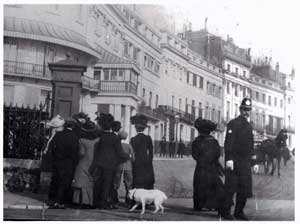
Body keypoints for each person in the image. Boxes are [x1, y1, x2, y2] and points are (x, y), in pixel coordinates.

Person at [224, 98, 259, 220]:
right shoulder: (233, 123)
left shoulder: (249, 126)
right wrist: (229, 158)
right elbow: (228, 142)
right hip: (234, 161)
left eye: (248, 110)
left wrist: (254, 162)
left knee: (244, 188)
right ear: (240, 109)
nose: (246, 112)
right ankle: (225, 212)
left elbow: (251, 145)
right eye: (244, 109)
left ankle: (239, 212)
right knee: (230, 188)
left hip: (245, 163)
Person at [192, 118, 231, 219]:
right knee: (213, 186)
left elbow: (194, 154)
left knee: (199, 186)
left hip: (200, 167)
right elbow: (217, 154)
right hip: (211, 167)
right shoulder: (214, 142)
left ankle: (199, 205)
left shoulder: (197, 141)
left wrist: (201, 160)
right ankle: (213, 205)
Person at [90, 113, 131, 209]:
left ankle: (96, 202)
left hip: (99, 163)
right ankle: (104, 203)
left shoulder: (100, 137)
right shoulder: (115, 138)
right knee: (107, 184)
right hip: (110, 165)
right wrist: (128, 156)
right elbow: (120, 152)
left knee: (98, 183)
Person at [47, 115, 79, 209]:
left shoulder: (58, 134)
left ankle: (54, 200)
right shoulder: (74, 137)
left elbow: (52, 147)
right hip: (68, 162)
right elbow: (75, 151)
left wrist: (55, 157)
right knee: (65, 182)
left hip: (58, 161)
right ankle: (62, 202)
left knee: (56, 180)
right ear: (73, 126)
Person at [72, 119, 99, 208]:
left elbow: (81, 153)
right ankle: (89, 202)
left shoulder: (82, 140)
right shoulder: (97, 140)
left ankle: (77, 201)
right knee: (89, 184)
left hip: (83, 162)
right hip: (93, 163)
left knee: (80, 182)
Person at [130, 114, 155, 189]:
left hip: (137, 160)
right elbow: (151, 151)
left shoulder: (133, 139)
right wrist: (150, 160)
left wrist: (132, 160)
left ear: (136, 129)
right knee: (147, 177)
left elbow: (131, 152)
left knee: (137, 177)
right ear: (144, 129)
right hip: (146, 159)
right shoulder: (148, 138)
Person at [112, 131, 135, 207]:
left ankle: (114, 201)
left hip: (118, 166)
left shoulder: (117, 144)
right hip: (128, 167)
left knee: (116, 184)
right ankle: (128, 202)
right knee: (129, 185)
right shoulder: (129, 145)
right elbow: (133, 158)